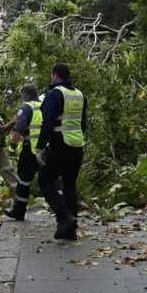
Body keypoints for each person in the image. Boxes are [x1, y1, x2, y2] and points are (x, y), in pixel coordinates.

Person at [36, 62, 88, 241]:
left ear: (55, 75)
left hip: (60, 146)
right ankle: (70, 231)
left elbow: (48, 122)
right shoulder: (79, 95)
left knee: (44, 181)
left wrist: (41, 147)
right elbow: (83, 123)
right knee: (69, 186)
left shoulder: (55, 94)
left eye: (52, 76)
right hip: (77, 147)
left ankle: (65, 216)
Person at [4, 84, 44, 221]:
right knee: (51, 182)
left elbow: (18, 130)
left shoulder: (26, 108)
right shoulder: (45, 106)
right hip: (46, 149)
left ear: (25, 95)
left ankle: (18, 212)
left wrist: (12, 148)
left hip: (29, 150)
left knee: (24, 182)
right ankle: (64, 212)